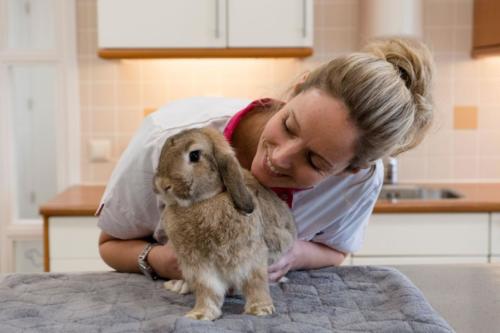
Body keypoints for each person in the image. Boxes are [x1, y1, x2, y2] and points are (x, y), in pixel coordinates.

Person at [97, 38, 434, 282]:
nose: (280, 158)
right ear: (298, 90)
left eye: (315, 161)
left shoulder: (360, 180)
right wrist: (158, 260)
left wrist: (294, 255)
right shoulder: (168, 139)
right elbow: (110, 244)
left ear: (350, 170)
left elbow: (335, 251)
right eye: (289, 125)